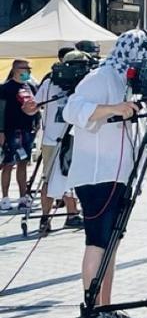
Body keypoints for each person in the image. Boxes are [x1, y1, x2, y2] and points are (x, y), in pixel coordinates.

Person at [61, 29, 147, 318]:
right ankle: (92, 313)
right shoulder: (101, 77)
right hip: (97, 175)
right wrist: (115, 109)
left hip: (116, 176)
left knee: (111, 243)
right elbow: (72, 110)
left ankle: (106, 307)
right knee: (97, 242)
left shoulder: (124, 82)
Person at [34, 46, 85, 233]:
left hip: (69, 139)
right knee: (52, 179)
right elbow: (32, 106)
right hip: (55, 140)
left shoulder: (80, 84)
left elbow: (32, 107)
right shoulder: (50, 83)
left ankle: (71, 215)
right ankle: (47, 218)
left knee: (68, 178)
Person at [1, 58, 39, 211]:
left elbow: (36, 106)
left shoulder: (30, 87)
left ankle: (23, 197)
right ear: (16, 69)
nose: (28, 71)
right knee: (8, 164)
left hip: (27, 130)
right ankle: (5, 197)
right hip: (10, 130)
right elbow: (1, 110)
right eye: (25, 68)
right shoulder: (5, 88)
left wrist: (36, 122)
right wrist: (1, 131)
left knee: (23, 162)